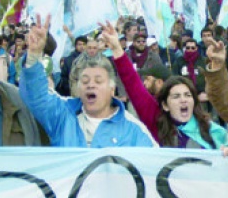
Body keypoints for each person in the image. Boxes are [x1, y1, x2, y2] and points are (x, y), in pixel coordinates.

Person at [18, 16, 156, 147]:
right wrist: (33, 55)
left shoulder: (133, 131)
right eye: (85, 81)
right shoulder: (63, 116)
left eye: (98, 81)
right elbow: (37, 97)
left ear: (112, 89)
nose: (90, 85)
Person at [103, 23, 228, 154]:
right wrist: (116, 48)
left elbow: (226, 166)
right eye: (176, 96)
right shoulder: (157, 124)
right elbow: (132, 83)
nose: (183, 100)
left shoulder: (213, 131)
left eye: (187, 95)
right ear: (165, 105)